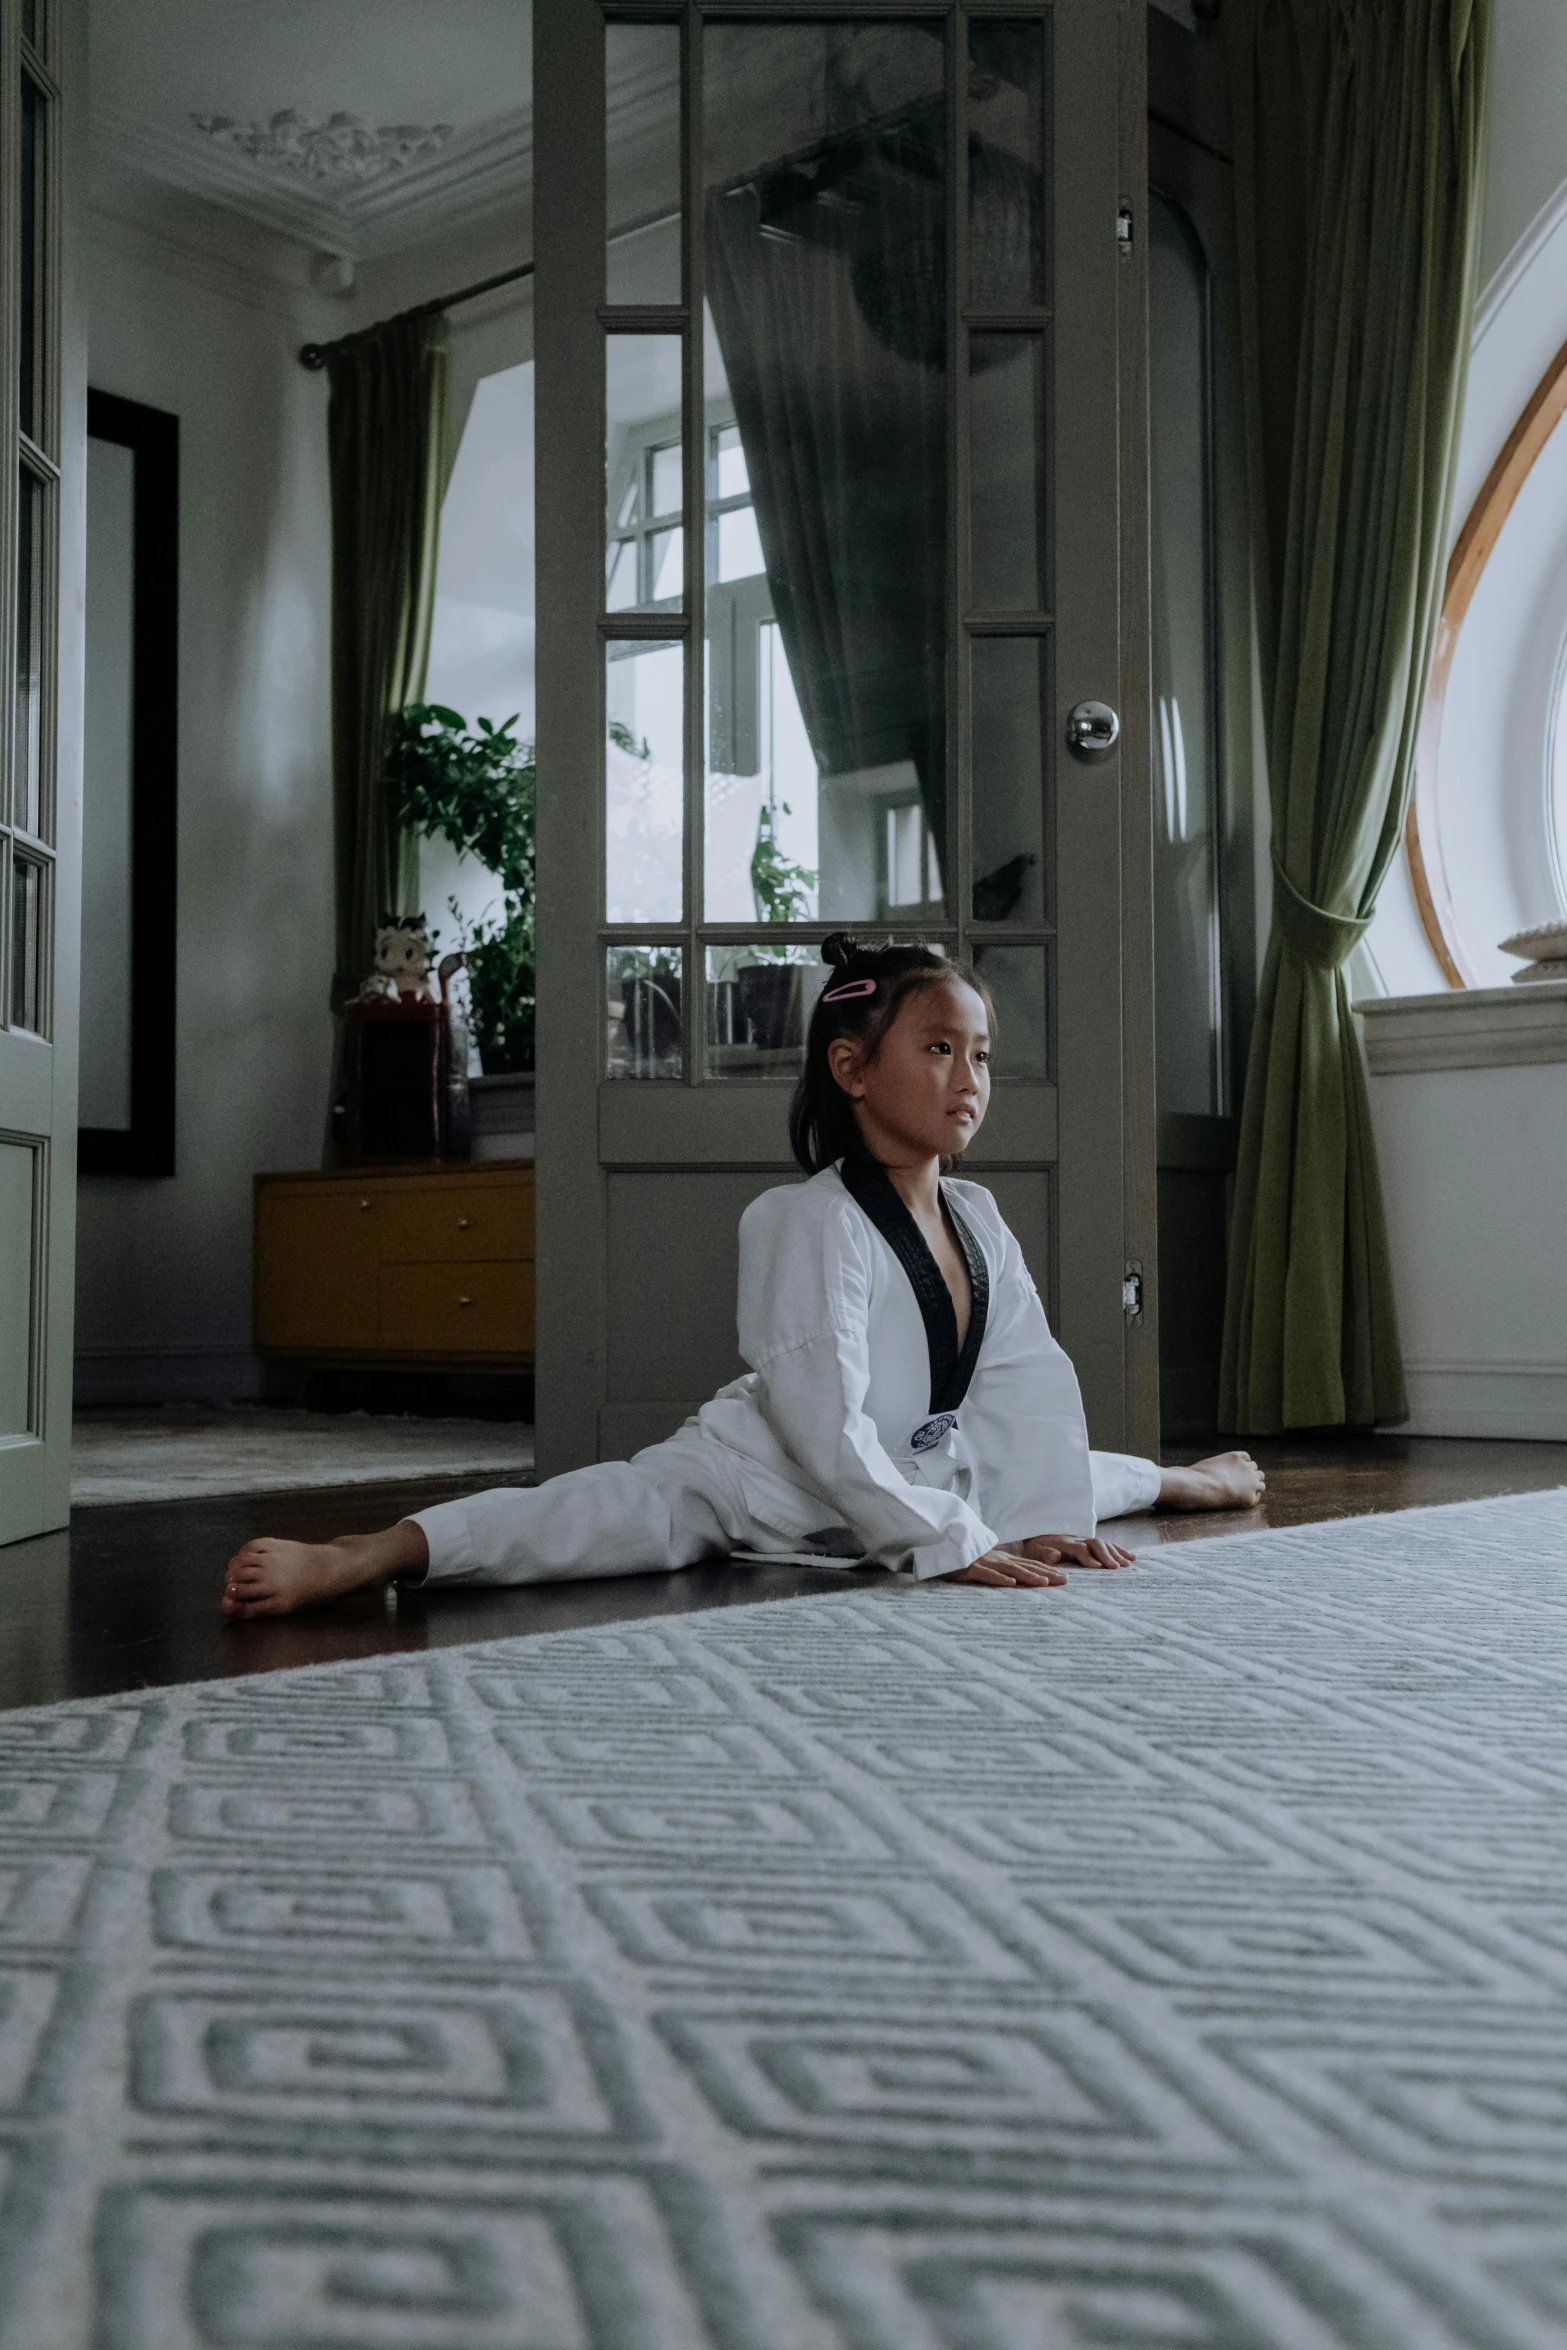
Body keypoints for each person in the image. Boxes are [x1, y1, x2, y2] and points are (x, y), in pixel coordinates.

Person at [222, 937, 1263, 1619]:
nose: (969, 1078)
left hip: (910, 1467)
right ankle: (372, 1552)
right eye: (938, 1047)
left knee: (1064, 1467)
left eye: (981, 1054)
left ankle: (1180, 1478)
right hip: (757, 1473)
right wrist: (936, 1540)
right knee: (587, 1518)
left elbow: (1024, 1382)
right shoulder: (803, 1219)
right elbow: (820, 1418)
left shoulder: (978, 1217)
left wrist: (1045, 1518)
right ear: (850, 1070)